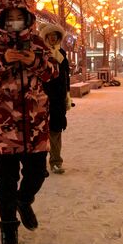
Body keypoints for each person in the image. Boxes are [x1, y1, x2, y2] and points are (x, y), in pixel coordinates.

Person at [0, 0, 58, 244]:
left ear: (27, 18)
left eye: (18, 17)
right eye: (8, 18)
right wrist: (3, 61)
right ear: (0, 19)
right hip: (4, 127)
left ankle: (25, 200)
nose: (14, 22)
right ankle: (8, 229)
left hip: (35, 125)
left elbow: (53, 73)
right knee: (6, 180)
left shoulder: (36, 42)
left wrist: (33, 61)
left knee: (37, 173)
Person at [40, 23, 71, 175]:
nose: (52, 39)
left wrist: (67, 95)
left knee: (56, 130)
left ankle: (56, 161)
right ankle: (39, 165)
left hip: (58, 98)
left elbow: (66, 76)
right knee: (40, 132)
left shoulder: (63, 54)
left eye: (55, 37)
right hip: (42, 97)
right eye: (49, 37)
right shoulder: (40, 54)